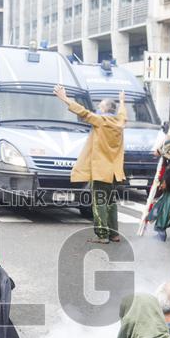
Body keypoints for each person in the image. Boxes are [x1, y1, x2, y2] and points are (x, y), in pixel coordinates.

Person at [54, 84, 126, 243]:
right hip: (114, 172)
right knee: (111, 203)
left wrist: (64, 98)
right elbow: (122, 113)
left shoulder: (100, 121)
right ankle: (114, 234)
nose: (98, 109)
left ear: (105, 109)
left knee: (99, 203)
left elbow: (83, 112)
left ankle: (102, 235)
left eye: (100, 106)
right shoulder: (120, 122)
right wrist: (121, 101)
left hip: (101, 171)